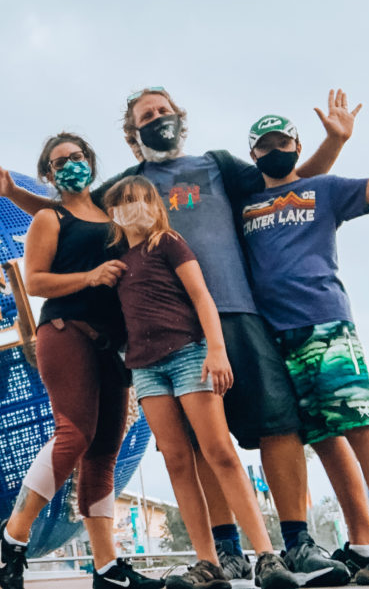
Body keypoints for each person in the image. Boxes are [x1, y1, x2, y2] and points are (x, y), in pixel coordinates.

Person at [0, 87, 368, 586]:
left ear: (180, 118)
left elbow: (285, 180)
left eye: (163, 111)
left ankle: (293, 545)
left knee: (276, 426)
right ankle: (220, 553)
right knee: (187, 447)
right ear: (132, 134)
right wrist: (11, 193)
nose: (157, 119)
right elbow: (66, 213)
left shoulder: (217, 165)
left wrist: (333, 144)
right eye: (146, 115)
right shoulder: (127, 187)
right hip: (155, 340)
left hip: (234, 314)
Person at [241, 81, 369, 584]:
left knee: (360, 425)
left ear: (298, 147)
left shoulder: (321, 189)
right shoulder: (244, 207)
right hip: (273, 337)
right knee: (324, 438)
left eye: (284, 143)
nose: (276, 151)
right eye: (265, 146)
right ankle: (364, 542)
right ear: (253, 154)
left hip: (323, 321)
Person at [0, 133, 162, 589]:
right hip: (67, 333)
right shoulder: (49, 217)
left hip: (112, 345)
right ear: (48, 174)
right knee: (73, 434)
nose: (70, 165)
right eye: (59, 161)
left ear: (91, 160)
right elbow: (36, 282)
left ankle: (106, 568)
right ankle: (13, 534)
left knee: (104, 451)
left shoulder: (111, 211)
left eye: (77, 157)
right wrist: (91, 276)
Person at [102, 175, 295, 589]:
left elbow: (202, 295)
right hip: (145, 367)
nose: (129, 206)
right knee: (175, 458)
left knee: (219, 450)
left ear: (153, 203)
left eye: (137, 198)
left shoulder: (168, 242)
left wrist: (216, 349)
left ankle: (265, 555)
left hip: (188, 353)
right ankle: (207, 561)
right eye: (120, 202)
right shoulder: (118, 261)